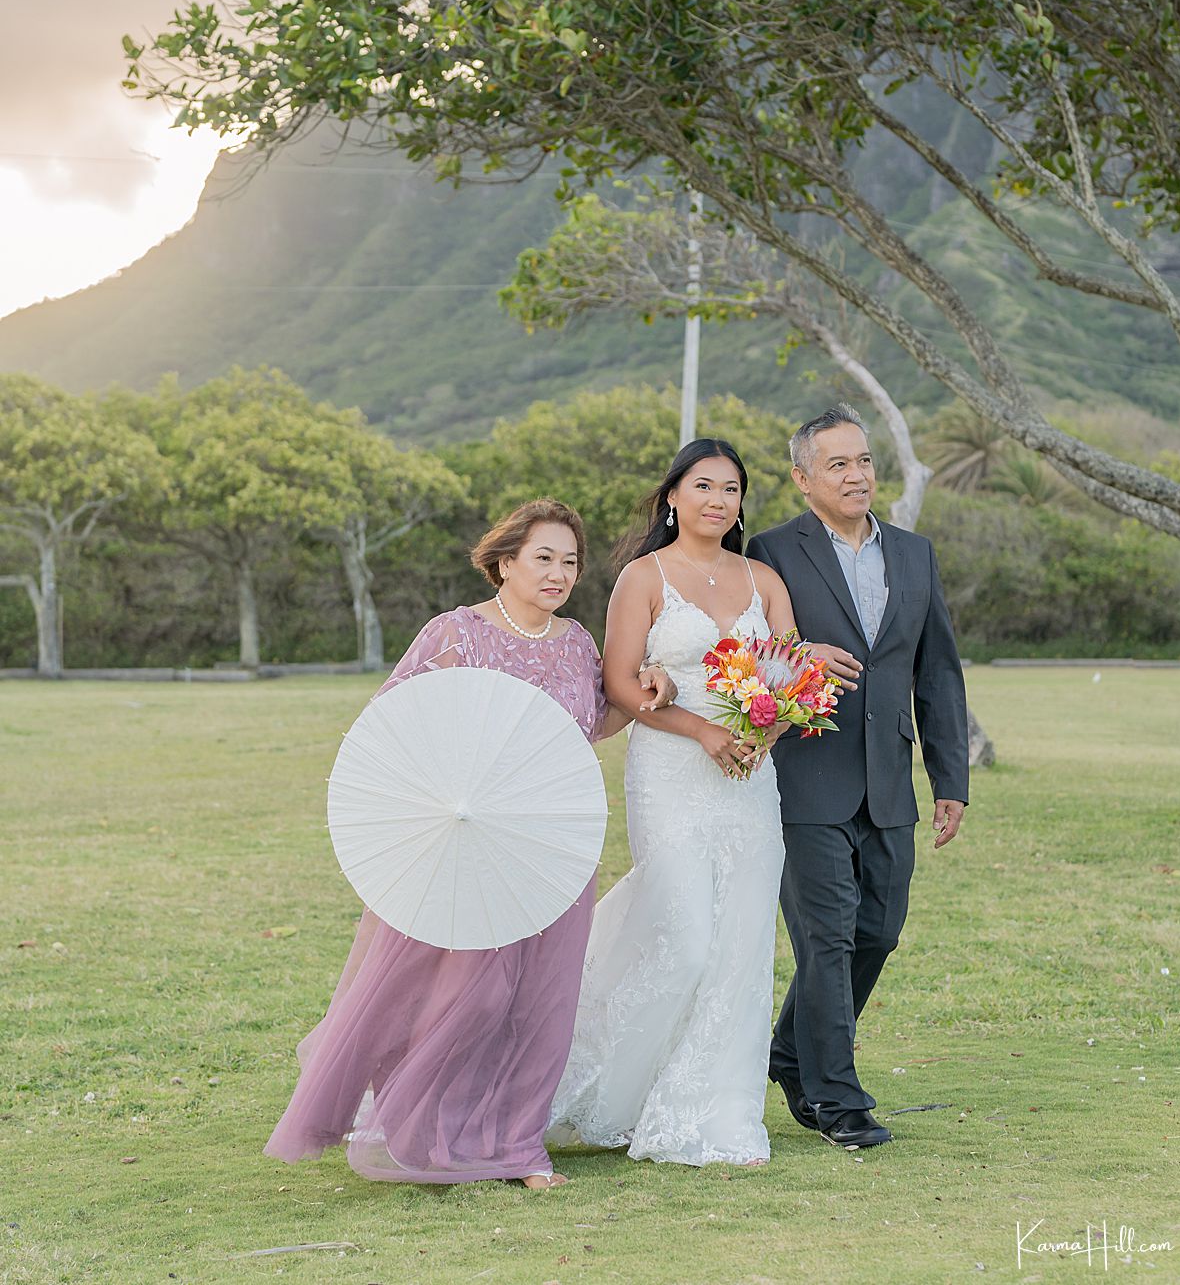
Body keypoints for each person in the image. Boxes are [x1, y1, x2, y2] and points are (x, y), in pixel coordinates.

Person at [264, 498, 671, 1189]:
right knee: (471, 995)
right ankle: (428, 1131)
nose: (558, 573)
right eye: (543, 558)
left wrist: (644, 691)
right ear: (506, 562)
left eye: (569, 562)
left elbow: (589, 722)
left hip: (553, 844)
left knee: (541, 1000)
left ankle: (519, 1147)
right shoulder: (456, 634)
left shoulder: (576, 642)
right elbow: (394, 719)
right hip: (467, 844)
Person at [548, 438, 855, 1167]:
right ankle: (591, 1083)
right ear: (674, 497)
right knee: (683, 938)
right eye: (704, 486)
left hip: (751, 782)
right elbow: (622, 683)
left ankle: (708, 1114)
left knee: (741, 946)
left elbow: (791, 678)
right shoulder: (642, 578)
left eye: (732, 490)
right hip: (670, 772)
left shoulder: (764, 579)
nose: (719, 501)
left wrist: (764, 734)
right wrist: (700, 730)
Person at [746, 403, 970, 1148]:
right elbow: (744, 657)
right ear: (803, 478)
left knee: (879, 929)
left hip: (888, 780)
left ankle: (787, 1055)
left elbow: (935, 669)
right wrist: (800, 655)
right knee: (827, 938)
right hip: (803, 771)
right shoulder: (771, 550)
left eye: (864, 461)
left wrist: (950, 778)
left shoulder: (914, 553)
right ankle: (839, 1103)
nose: (857, 474)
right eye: (838, 463)